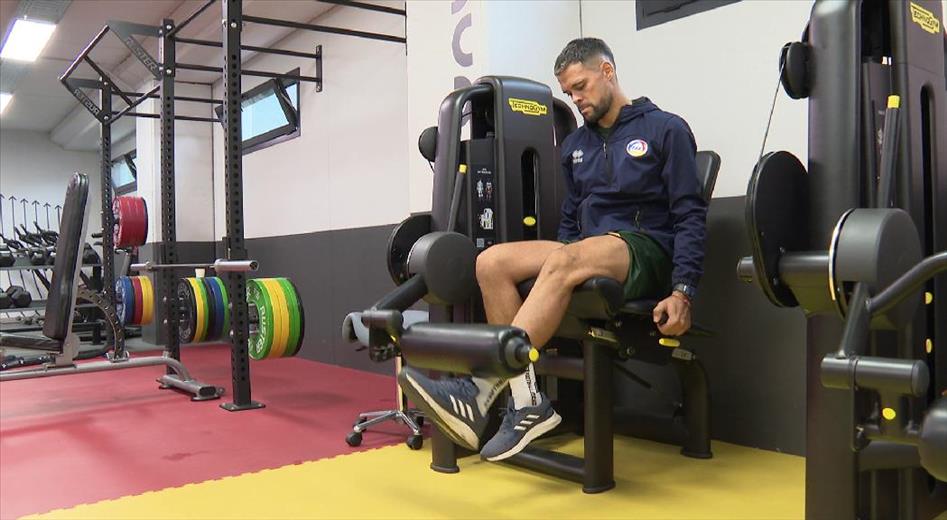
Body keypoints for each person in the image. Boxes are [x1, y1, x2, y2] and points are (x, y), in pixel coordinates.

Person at [398, 37, 707, 462]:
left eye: (580, 87)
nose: (576, 99)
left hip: (645, 250)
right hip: (588, 250)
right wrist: (556, 271)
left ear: (607, 72)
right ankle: (527, 403)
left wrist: (683, 290)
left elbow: (690, 214)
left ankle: (481, 388)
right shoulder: (576, 146)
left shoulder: (665, 129)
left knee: (567, 256)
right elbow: (570, 222)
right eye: (568, 93)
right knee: (491, 262)